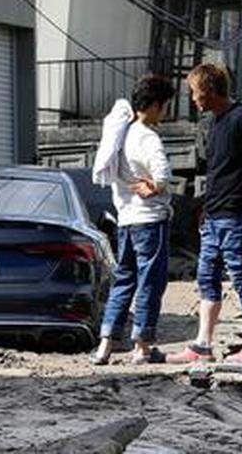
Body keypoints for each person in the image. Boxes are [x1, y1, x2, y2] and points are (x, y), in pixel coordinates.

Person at [167, 63, 242, 364]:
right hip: (214, 216)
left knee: (241, 278)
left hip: (235, 217)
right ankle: (202, 345)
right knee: (207, 278)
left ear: (208, 90)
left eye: (195, 92)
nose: (193, 99)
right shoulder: (215, 122)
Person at [89, 74, 175, 365]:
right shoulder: (147, 136)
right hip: (150, 220)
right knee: (150, 282)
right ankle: (142, 346)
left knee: (123, 280)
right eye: (163, 106)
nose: (163, 112)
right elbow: (163, 175)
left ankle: (105, 345)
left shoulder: (120, 135)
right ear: (152, 105)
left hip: (125, 221)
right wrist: (154, 186)